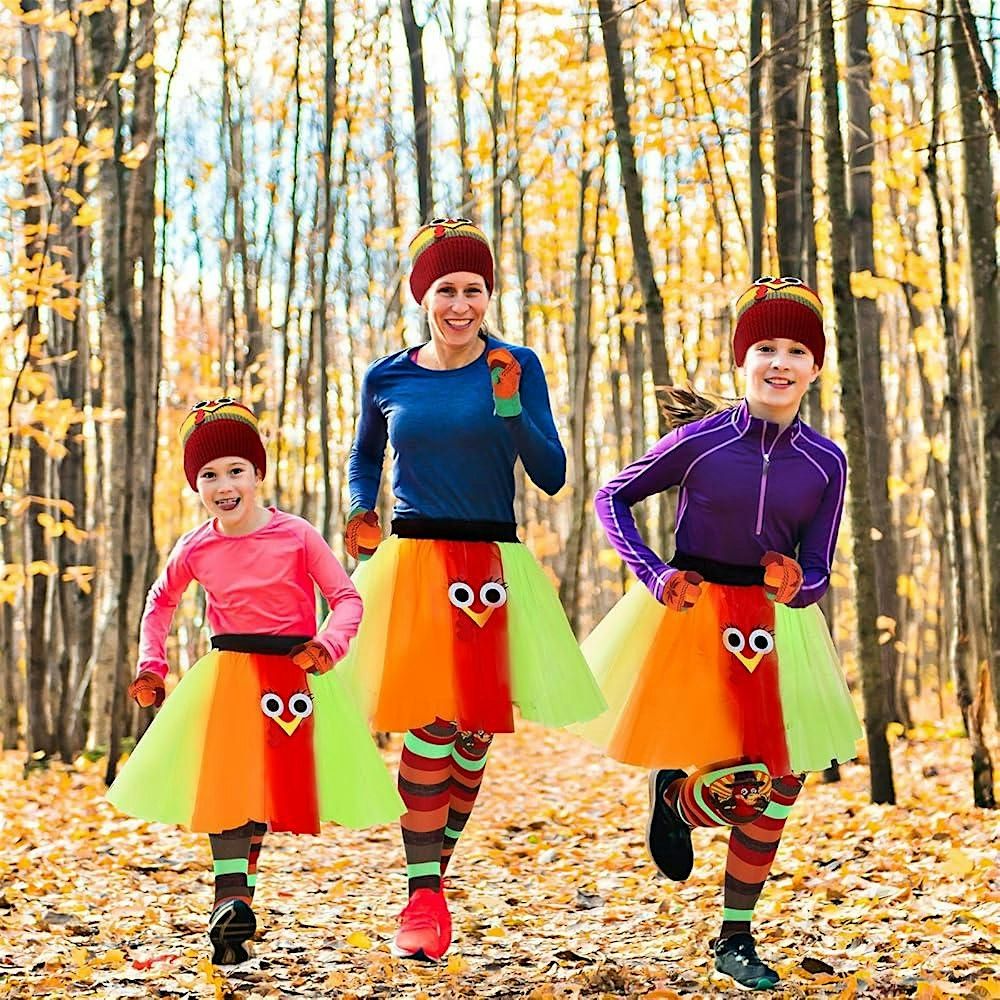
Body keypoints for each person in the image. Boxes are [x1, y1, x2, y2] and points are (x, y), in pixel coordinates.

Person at [321, 217, 606, 962]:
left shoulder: (518, 364)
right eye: (445, 289)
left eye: (473, 289)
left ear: (489, 294)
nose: (459, 304)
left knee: (475, 731)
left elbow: (551, 474)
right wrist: (359, 510)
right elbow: (364, 459)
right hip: (415, 557)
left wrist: (510, 406)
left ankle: (432, 881)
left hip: (492, 561)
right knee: (433, 721)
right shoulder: (388, 375)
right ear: (424, 296)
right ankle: (421, 892)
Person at [577, 278, 862, 990]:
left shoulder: (827, 460)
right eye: (765, 346)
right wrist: (650, 572)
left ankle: (735, 936)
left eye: (797, 350)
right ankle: (676, 796)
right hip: (694, 610)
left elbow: (822, 567)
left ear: (816, 367)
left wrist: (801, 581)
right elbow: (612, 496)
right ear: (743, 358)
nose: (780, 362)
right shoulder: (699, 442)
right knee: (730, 771)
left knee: (782, 779)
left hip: (777, 624)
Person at [107, 399, 402, 965]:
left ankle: (236, 905)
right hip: (228, 673)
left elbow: (346, 598)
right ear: (197, 486)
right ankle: (230, 903)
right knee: (229, 783)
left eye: (236, 470)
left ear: (258, 474)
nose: (224, 484)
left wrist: (328, 645)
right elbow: (160, 602)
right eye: (209, 475)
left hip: (295, 670)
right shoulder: (195, 546)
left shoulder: (296, 535)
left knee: (264, 792)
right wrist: (152, 666)